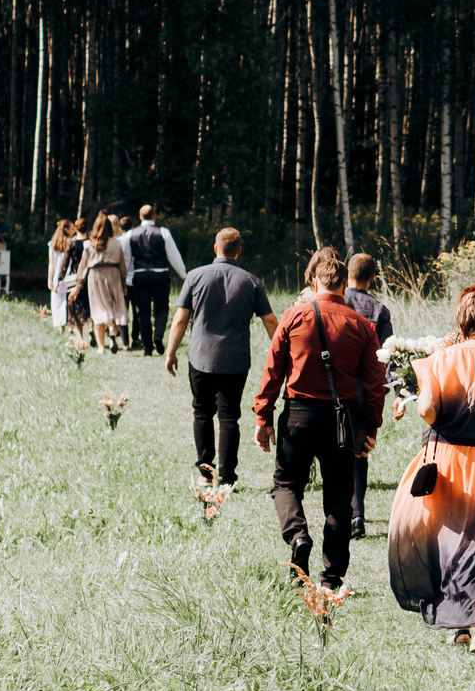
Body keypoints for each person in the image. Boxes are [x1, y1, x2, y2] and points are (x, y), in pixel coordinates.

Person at [386, 283, 475, 654]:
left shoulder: (442, 359)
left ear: (461, 324)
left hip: (450, 460)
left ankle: (460, 623)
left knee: (448, 539)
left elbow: (428, 409)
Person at [252, 247, 388, 590]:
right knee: (339, 499)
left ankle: (297, 535)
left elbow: (273, 370)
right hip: (342, 420)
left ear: (315, 282)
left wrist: (263, 416)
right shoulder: (362, 325)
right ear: (344, 285)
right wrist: (370, 427)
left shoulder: (294, 316)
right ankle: (331, 578)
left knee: (285, 485)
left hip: (298, 414)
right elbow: (374, 383)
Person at [165, 227, 280, 486]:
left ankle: (206, 473)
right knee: (230, 416)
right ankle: (227, 477)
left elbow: (181, 317)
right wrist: (283, 353)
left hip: (200, 357)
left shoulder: (194, 277)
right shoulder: (252, 281)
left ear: (215, 248)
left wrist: (171, 352)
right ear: (239, 251)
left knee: (202, 413)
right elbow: (270, 320)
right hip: (235, 360)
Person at [343, 253, 396, 535]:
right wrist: (394, 392)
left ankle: (337, 512)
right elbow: (387, 356)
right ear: (373, 278)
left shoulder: (336, 304)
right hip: (364, 393)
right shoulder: (378, 310)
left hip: (335, 389)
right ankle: (356, 516)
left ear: (346, 274)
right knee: (358, 455)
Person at [125, 206, 192, 356]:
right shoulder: (163, 232)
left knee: (143, 311)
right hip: (160, 274)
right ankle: (158, 335)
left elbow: (127, 258)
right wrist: (183, 275)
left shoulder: (130, 234)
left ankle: (147, 348)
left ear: (140, 217)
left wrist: (124, 278)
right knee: (161, 307)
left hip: (140, 275)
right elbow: (173, 255)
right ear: (154, 216)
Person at [80, 213, 129, 351]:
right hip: (113, 274)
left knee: (98, 308)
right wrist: (124, 283)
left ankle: (101, 346)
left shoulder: (88, 245)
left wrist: (79, 284)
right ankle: (113, 333)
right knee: (113, 305)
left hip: (95, 276)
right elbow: (122, 266)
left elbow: (83, 266)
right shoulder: (116, 244)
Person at [46, 218, 80, 330]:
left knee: (58, 303)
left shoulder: (53, 244)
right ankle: (71, 327)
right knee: (70, 303)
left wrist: (50, 279)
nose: (74, 230)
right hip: (70, 276)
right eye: (72, 228)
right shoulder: (72, 243)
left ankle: (61, 327)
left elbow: (52, 264)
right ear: (66, 229)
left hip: (57, 277)